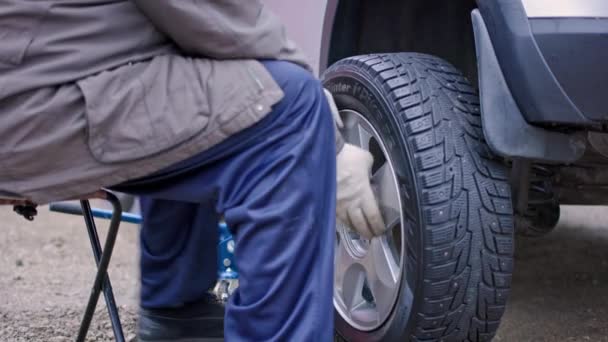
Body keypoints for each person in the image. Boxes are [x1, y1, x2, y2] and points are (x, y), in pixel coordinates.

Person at [0, 1, 386, 340]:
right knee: (292, 109)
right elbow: (214, 16)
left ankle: (179, 312)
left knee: (202, 81)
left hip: (30, 90)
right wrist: (328, 137)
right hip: (31, 107)